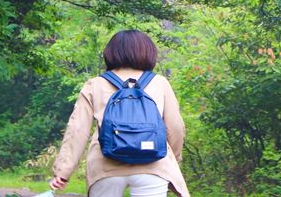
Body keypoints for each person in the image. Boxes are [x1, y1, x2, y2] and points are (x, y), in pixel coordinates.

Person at [49, 29, 189, 197]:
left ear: (110, 53)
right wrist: (172, 158)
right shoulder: (160, 83)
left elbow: (77, 129)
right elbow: (175, 127)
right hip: (153, 166)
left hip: (105, 166)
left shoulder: (95, 84)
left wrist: (63, 171)